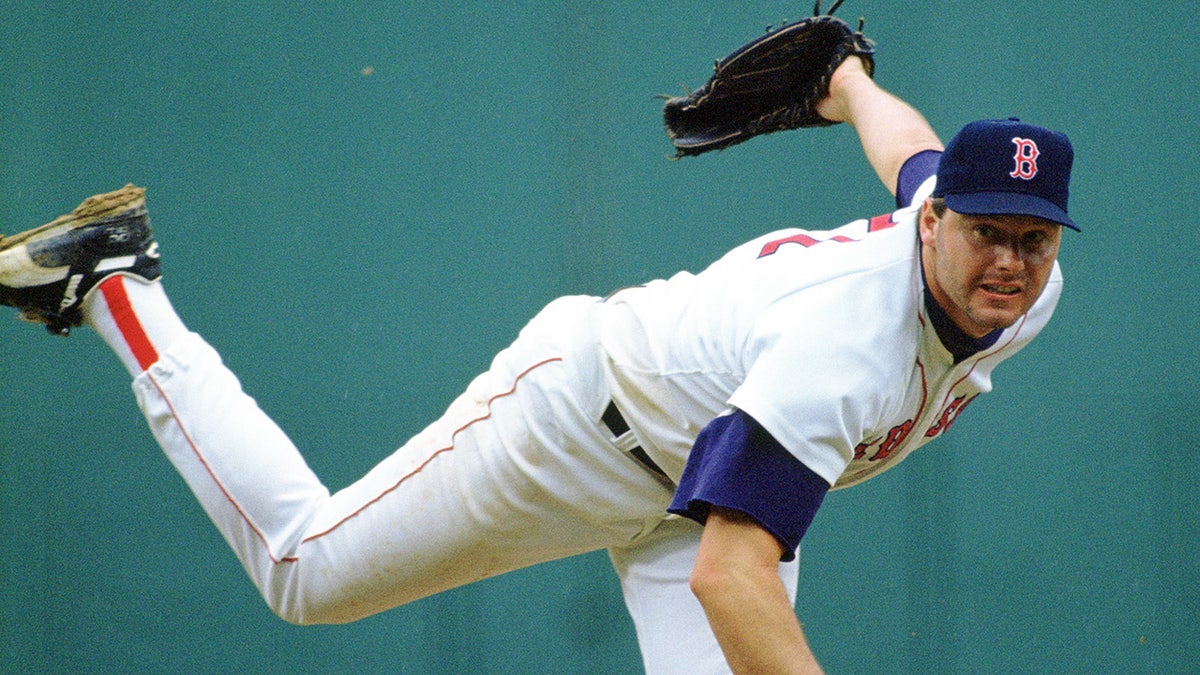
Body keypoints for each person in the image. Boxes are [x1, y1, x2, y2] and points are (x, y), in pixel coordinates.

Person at [0, 54, 1076, 674]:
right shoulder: (843, 341)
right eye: (987, 230)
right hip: (576, 423)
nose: (1010, 260)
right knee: (305, 576)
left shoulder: (1004, 273)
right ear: (936, 229)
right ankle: (115, 282)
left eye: (1033, 237)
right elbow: (732, 575)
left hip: (696, 489)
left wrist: (846, 83)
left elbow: (914, 154)